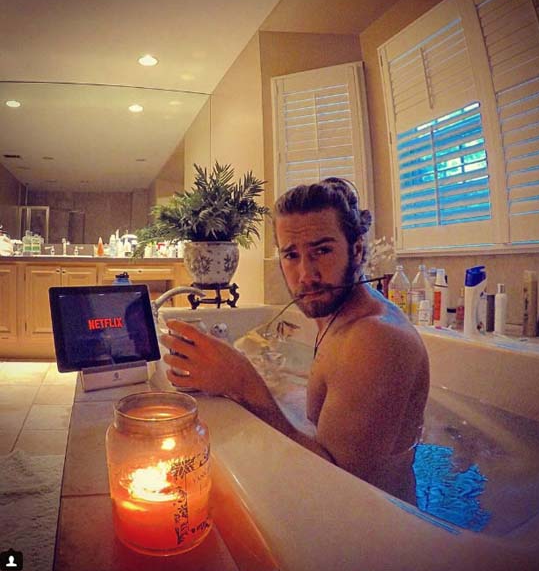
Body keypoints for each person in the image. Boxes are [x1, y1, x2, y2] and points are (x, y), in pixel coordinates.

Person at [161, 177, 430, 502]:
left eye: (322, 250)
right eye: (291, 255)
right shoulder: (338, 319)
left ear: (357, 250)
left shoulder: (373, 338)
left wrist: (243, 382)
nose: (306, 274)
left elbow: (342, 490)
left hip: (376, 525)